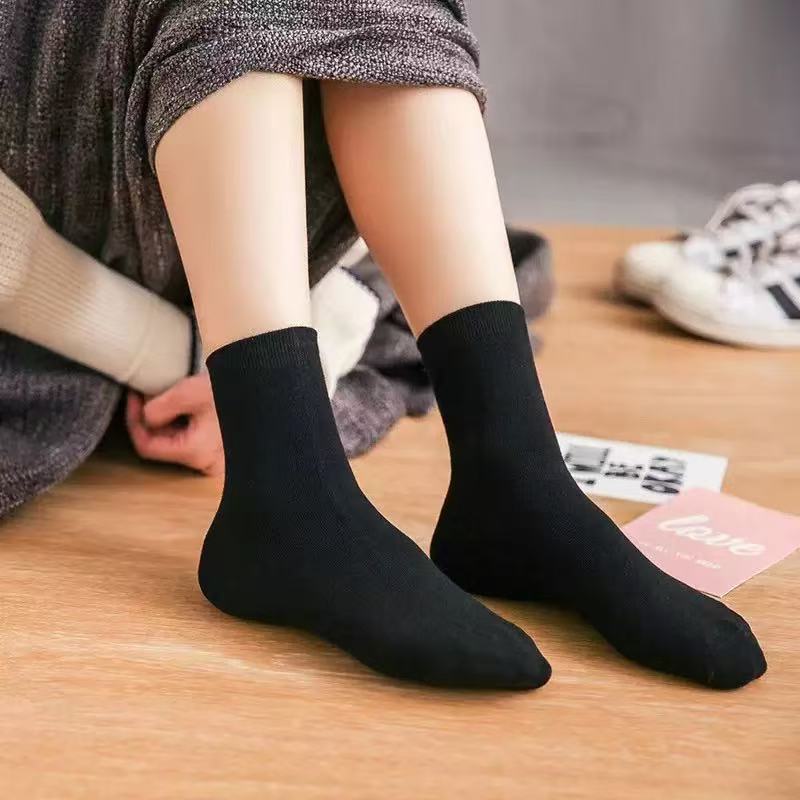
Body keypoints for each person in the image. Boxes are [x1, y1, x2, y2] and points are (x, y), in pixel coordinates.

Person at [1, 1, 765, 690]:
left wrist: (303, 347)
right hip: (63, 245)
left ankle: (513, 472)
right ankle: (292, 488)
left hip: (215, 216)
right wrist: (183, 358)